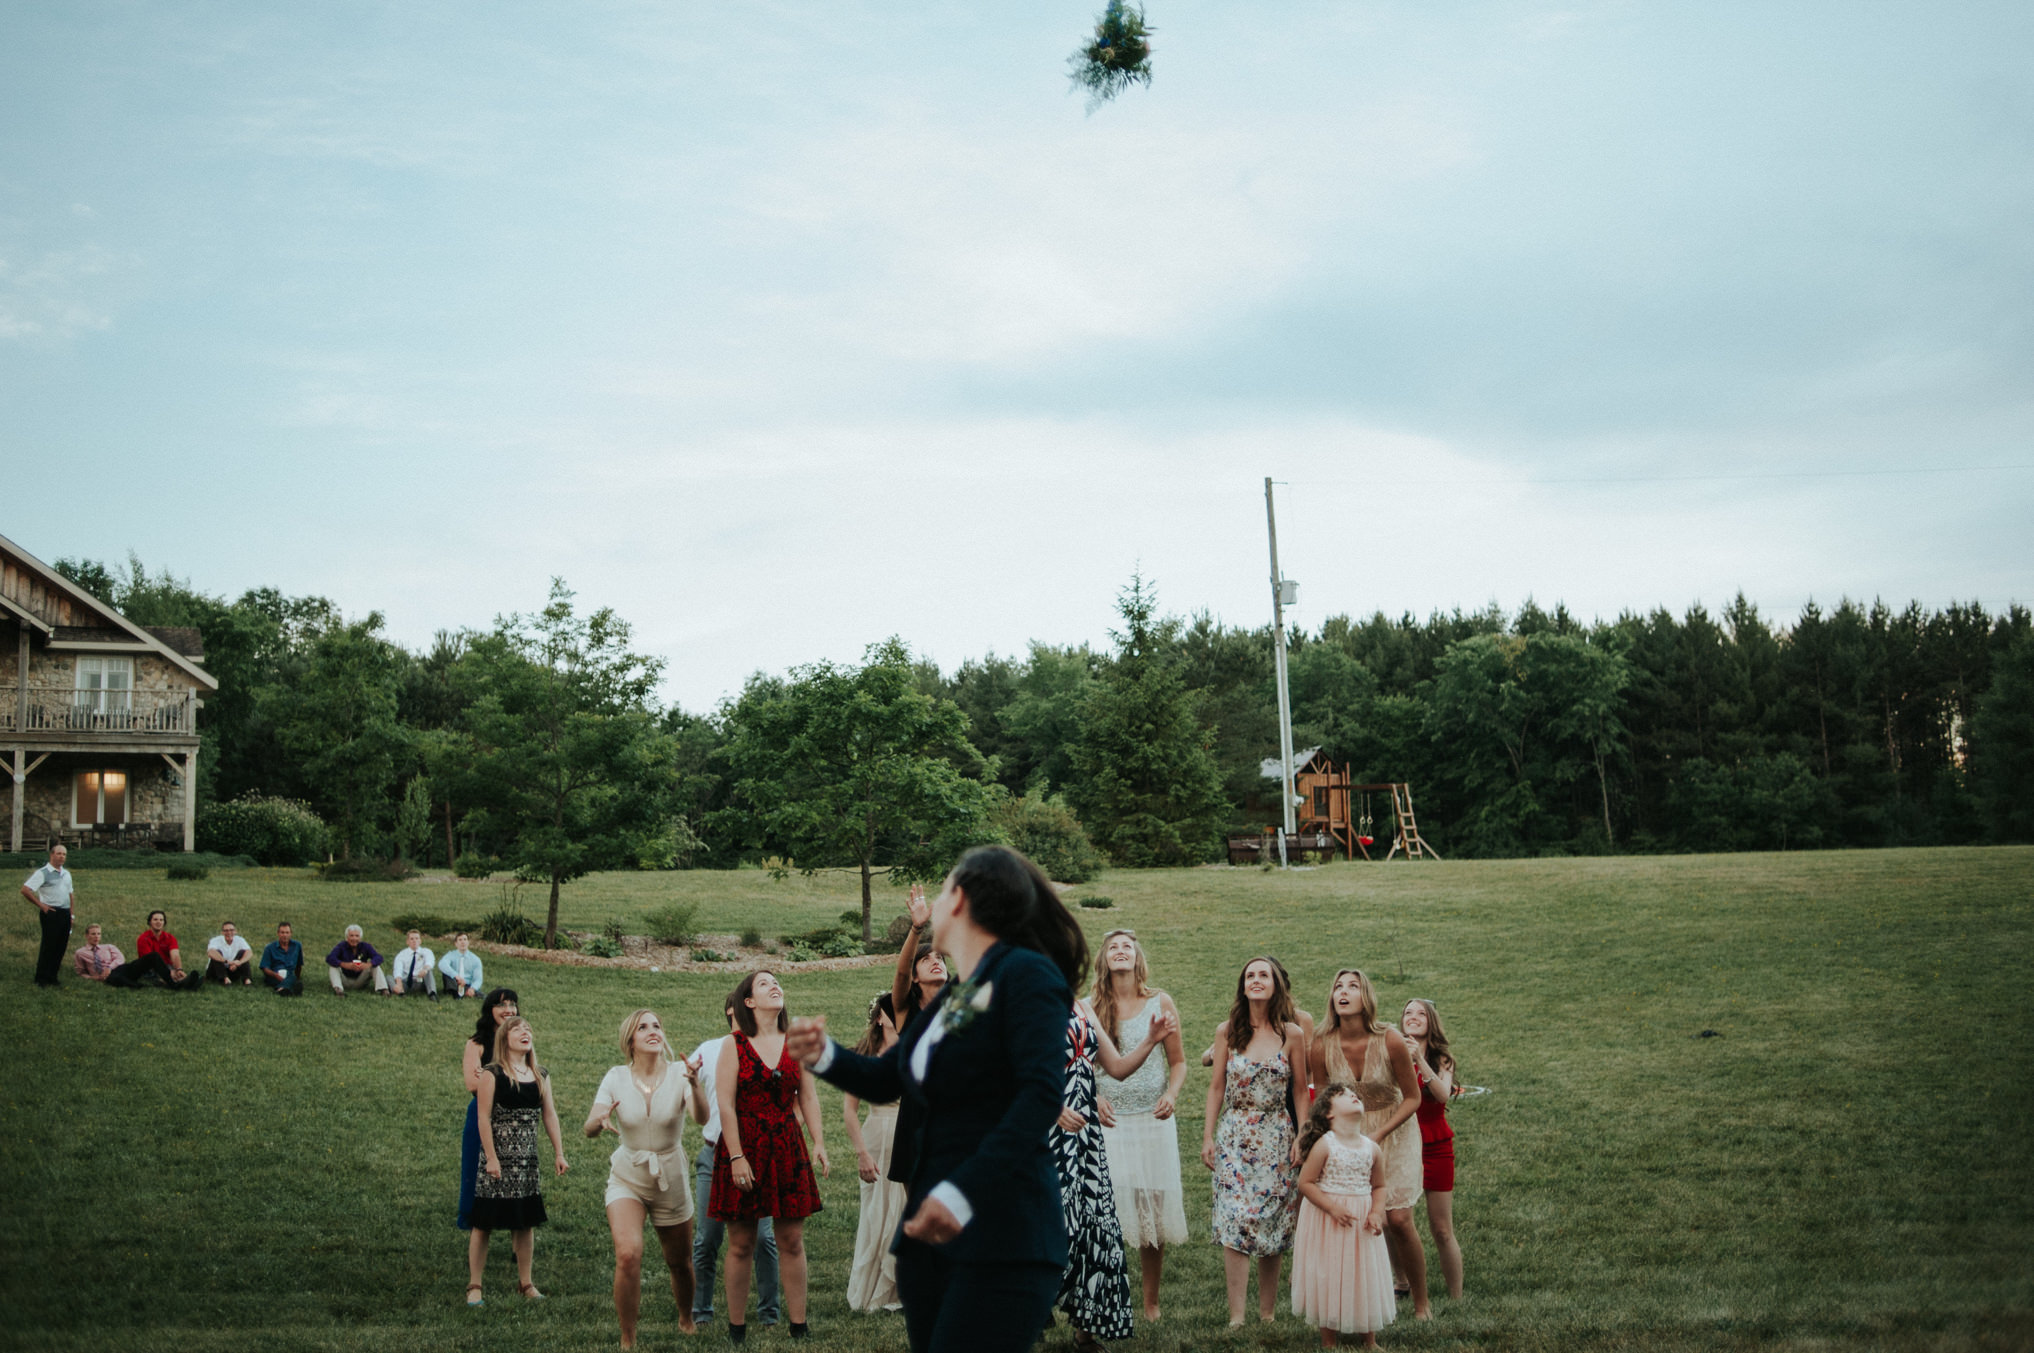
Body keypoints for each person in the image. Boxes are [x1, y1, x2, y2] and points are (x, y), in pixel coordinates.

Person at [788, 844, 1090, 1353]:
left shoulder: (1026, 975)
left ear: (963, 900)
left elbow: (1039, 1094)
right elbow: (890, 1078)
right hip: (929, 1241)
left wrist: (960, 1192)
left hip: (1002, 1231)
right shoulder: (958, 995)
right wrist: (823, 1057)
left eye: (945, 885)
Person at [709, 970, 828, 1342]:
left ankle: (798, 1327)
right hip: (744, 1145)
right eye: (764, 984)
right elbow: (726, 1105)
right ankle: (737, 1330)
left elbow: (807, 1097)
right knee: (742, 1242)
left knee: (791, 1239)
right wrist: (736, 1156)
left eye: (776, 982)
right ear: (748, 1001)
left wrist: (818, 1142)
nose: (774, 986)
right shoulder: (734, 1043)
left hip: (787, 1146)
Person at [1052, 992, 1173, 1349]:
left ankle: (1085, 1331)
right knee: (1054, 1224)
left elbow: (1117, 1068)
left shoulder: (1080, 1006)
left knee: (1094, 1223)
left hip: (1086, 1133)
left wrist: (1151, 1040)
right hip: (1043, 1129)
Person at [586, 1009, 710, 1350]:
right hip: (628, 1174)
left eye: (656, 1026)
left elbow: (701, 1117)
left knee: (679, 1262)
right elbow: (589, 1127)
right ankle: (628, 1339)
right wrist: (599, 1122)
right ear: (631, 1041)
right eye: (643, 1027)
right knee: (628, 1253)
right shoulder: (615, 1077)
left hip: (670, 1176)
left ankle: (686, 1317)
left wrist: (695, 1085)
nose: (652, 1031)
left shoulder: (679, 1073)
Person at [1307, 971, 1426, 1319]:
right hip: (1348, 1139)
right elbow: (1323, 1101)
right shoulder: (1321, 1044)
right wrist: (1316, 1141)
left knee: (1400, 1218)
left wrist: (1379, 1134)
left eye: (1353, 987)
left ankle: (1422, 1303)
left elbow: (1413, 1098)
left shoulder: (1389, 1040)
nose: (1344, 993)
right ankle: (1368, 1297)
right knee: (1367, 1218)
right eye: (1338, 987)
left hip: (1395, 1131)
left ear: (1366, 997)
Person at [1203, 956, 1305, 1327]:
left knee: (1272, 1221)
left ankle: (1267, 1313)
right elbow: (1216, 1087)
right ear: (1242, 986)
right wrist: (1207, 1137)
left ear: (1275, 984)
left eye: (1264, 975)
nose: (1257, 980)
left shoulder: (1292, 1033)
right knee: (1235, 1219)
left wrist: (1303, 1137)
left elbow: (1300, 1092)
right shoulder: (1227, 1030)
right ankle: (1236, 1316)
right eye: (1250, 975)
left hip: (1277, 1135)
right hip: (1234, 1133)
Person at [1092, 928, 1188, 1322]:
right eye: (1113, 947)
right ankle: (1110, 1294)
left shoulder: (1159, 1002)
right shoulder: (1088, 1007)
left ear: (1137, 958)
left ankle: (1151, 1303)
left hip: (1153, 1117)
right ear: (1104, 959)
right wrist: (1091, 1098)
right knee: (1107, 1211)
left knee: (1152, 1210)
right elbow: (1080, 1066)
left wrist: (1173, 1094)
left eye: (1126, 946)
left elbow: (1179, 1061)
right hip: (1108, 1121)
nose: (1120, 951)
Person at [691, 1000, 782, 1331]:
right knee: (707, 1237)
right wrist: (689, 1081)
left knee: (763, 1239)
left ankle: (770, 1313)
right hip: (714, 1155)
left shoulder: (770, 1048)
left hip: (759, 1156)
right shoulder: (712, 1049)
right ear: (733, 1011)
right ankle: (701, 1311)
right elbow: (681, 1083)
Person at [468, 1015, 568, 1306]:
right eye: (518, 1029)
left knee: (525, 1223)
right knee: (483, 1222)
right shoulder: (492, 1074)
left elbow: (550, 1115)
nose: (525, 1033)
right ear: (505, 1038)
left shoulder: (540, 1074)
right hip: (496, 1160)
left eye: (528, 1029)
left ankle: (526, 1283)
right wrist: (491, 1158)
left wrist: (559, 1153)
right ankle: (474, 1285)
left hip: (526, 1162)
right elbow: (483, 1118)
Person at [1290, 1084, 1394, 1349]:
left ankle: (1369, 1340)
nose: (1353, 1095)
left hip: (1361, 1225)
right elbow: (1306, 1183)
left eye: (1354, 1094)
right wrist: (1332, 1208)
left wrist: (1376, 1212)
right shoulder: (1326, 1145)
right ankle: (1329, 1340)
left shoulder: (1371, 1148)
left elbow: (1380, 1186)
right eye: (1343, 1095)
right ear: (1328, 1114)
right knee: (1330, 1274)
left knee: (1364, 1275)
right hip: (1330, 1223)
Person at [841, 993, 906, 1313]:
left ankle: (903, 1289)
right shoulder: (865, 1056)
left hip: (909, 1136)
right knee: (876, 1213)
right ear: (879, 1018)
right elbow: (849, 1111)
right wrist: (861, 1153)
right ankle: (874, 1289)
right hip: (876, 1136)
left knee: (905, 1210)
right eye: (890, 1011)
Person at [886, 884, 949, 1189]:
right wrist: (917, 929)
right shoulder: (905, 1013)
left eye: (941, 959)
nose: (937, 961)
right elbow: (899, 975)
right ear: (915, 976)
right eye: (928, 960)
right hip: (917, 1119)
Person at [1401, 999, 1463, 1301]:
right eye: (1408, 1013)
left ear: (1431, 1022)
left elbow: (1441, 1096)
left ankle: (1456, 1297)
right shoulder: (1393, 1051)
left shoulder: (1442, 1059)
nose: (1413, 1017)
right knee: (1394, 1220)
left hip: (1436, 1145)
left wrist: (1420, 1061)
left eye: (1420, 1013)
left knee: (1441, 1229)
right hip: (1401, 1145)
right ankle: (1401, 1283)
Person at [460, 989, 520, 1230]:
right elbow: (472, 1085)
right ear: (490, 1009)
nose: (508, 1010)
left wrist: (488, 1076)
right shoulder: (476, 1044)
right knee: (476, 1166)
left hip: (513, 1115)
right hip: (481, 1112)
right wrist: (506, 1080)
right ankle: (471, 1219)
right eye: (501, 1004)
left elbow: (528, 1081)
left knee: (513, 1171)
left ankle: (514, 1224)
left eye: (512, 1004)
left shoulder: (519, 1041)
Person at [105, 910, 203, 989]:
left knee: (176, 973)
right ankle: (175, 984)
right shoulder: (143, 938)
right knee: (155, 957)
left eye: (161, 920)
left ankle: (187, 982)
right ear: (149, 922)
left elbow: (175, 955)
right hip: (149, 969)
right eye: (155, 920)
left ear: (164, 923)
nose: (158, 922)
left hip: (167, 967)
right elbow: (150, 962)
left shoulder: (170, 938)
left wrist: (178, 969)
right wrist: (169, 973)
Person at [21, 844, 74, 987]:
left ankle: (53, 977)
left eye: (64, 854)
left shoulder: (66, 874)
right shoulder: (42, 873)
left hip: (64, 912)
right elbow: (25, 890)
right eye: (59, 853)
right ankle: (41, 978)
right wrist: (41, 905)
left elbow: (70, 894)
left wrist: (71, 914)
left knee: (60, 946)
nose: (62, 856)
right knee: (49, 946)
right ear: (52, 855)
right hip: (51, 913)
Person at [326, 925, 389, 995]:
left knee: (375, 966)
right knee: (333, 967)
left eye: (357, 936)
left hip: (360, 980)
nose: (354, 938)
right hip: (344, 979)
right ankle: (338, 990)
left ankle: (384, 990)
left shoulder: (366, 946)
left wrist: (368, 964)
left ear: (360, 938)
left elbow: (379, 957)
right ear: (347, 937)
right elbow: (330, 958)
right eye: (351, 936)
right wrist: (345, 965)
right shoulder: (341, 946)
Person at [390, 929, 438, 999]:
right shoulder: (401, 954)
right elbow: (398, 969)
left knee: (429, 971)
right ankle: (400, 992)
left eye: (416, 938)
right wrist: (399, 984)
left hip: (420, 981)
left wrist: (425, 969)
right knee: (389, 978)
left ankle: (432, 994)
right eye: (411, 939)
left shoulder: (426, 951)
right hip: (406, 982)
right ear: (407, 942)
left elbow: (430, 962)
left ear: (420, 941)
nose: (414, 941)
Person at [260, 922, 305, 996]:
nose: (285, 935)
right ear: (278, 933)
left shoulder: (297, 946)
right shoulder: (270, 948)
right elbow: (264, 968)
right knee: (289, 980)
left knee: (292, 977)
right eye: (282, 932)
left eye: (287, 932)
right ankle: (287, 988)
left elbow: (299, 965)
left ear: (291, 933)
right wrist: (275, 975)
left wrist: (298, 977)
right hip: (274, 975)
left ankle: (282, 989)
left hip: (289, 974)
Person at [205, 922, 255, 986]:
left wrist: (239, 963)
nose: (229, 933)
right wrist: (228, 962)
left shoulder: (240, 940)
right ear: (222, 932)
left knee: (243, 952)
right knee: (217, 953)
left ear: (235, 931)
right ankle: (225, 979)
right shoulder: (215, 940)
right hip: (215, 970)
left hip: (232, 969)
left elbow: (249, 952)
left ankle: (247, 980)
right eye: (226, 930)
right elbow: (210, 953)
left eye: (231, 930)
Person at [442, 932, 484, 998]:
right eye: (460, 940)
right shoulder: (450, 955)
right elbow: (442, 964)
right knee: (446, 973)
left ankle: (468, 992)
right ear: (456, 944)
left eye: (465, 939)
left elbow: (478, 979)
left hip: (467, 984)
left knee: (479, 993)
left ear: (468, 942)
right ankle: (457, 993)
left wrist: (472, 988)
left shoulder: (475, 959)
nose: (463, 942)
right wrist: (456, 976)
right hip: (455, 982)